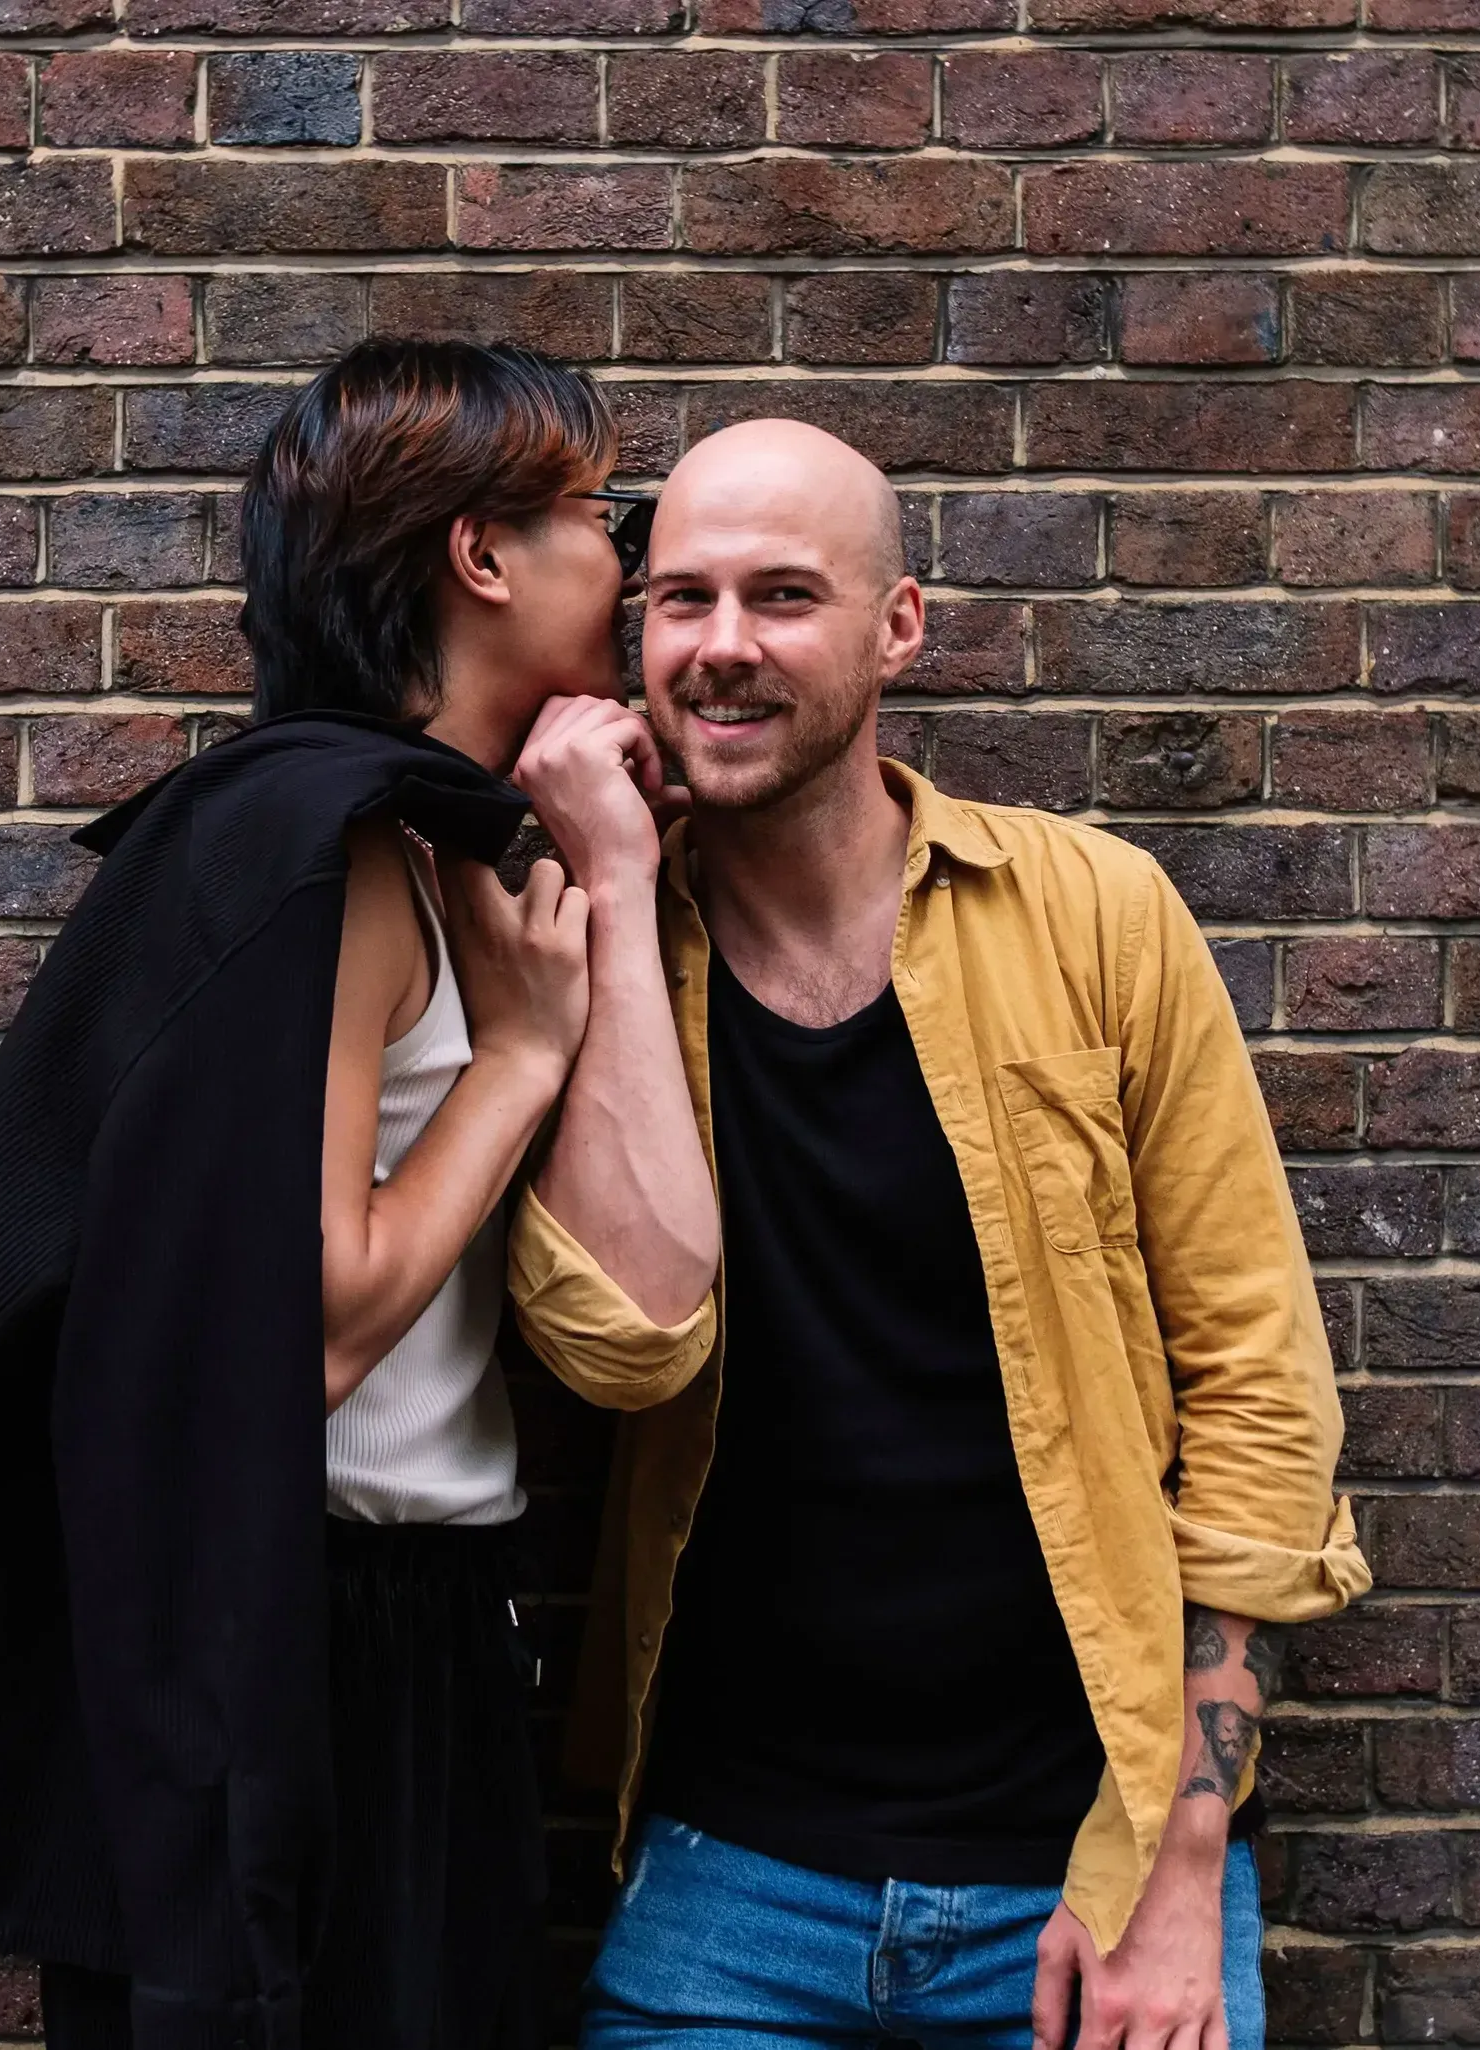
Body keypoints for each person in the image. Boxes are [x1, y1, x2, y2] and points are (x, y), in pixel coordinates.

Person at [0, 340, 661, 2050]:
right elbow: (305, 1323)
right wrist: (525, 1057)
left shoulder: (395, 843)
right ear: (482, 556)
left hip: (403, 1632)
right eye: (600, 517)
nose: (622, 564)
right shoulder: (328, 853)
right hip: (314, 1648)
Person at [504, 418, 1371, 2050]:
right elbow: (623, 1339)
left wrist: (1182, 1872)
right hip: (729, 1892)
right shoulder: (581, 944)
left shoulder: (1097, 919)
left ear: (898, 627)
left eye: (783, 595)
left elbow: (1260, 1397)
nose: (724, 646)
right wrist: (619, 894)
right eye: (681, 600)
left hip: (1089, 1879)